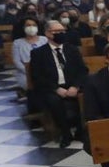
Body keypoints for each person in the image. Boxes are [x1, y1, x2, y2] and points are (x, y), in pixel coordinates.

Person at [29, 19, 88, 147]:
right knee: (54, 100)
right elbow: (38, 77)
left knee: (88, 95)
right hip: (51, 87)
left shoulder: (72, 49)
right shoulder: (38, 53)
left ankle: (80, 131)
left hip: (72, 85)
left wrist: (75, 86)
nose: (61, 33)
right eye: (57, 31)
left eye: (62, 31)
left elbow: (82, 71)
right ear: (47, 33)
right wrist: (56, 88)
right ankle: (65, 133)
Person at [12, 16, 46, 102]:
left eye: (34, 25)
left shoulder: (44, 39)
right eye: (28, 25)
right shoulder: (17, 42)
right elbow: (17, 61)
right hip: (25, 73)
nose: (31, 27)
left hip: (45, 70)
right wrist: (29, 71)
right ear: (23, 27)